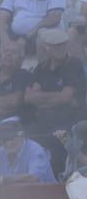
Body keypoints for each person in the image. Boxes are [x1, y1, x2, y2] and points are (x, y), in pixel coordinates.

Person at [21, 28, 84, 176]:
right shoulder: (41, 68)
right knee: (21, 137)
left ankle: (58, 179)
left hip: (70, 118)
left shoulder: (74, 65)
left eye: (63, 44)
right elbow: (29, 98)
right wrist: (54, 98)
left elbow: (66, 98)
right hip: (44, 120)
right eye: (56, 45)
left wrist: (41, 98)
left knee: (56, 138)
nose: (61, 48)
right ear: (46, 47)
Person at [0, 117, 55, 183]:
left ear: (22, 135)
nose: (9, 143)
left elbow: (33, 178)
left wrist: (1, 179)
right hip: (15, 198)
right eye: (5, 140)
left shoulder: (36, 151)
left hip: (46, 197)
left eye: (12, 138)